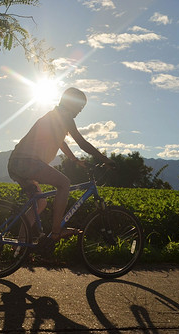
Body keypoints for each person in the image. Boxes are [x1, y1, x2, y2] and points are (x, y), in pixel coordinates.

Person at [8, 87, 114, 244]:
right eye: (80, 106)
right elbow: (82, 142)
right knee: (64, 184)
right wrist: (105, 159)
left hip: (17, 163)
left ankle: (21, 245)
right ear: (71, 103)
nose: (80, 111)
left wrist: (75, 160)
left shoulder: (55, 116)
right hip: (27, 162)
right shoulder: (65, 117)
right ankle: (56, 232)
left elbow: (61, 143)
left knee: (40, 202)